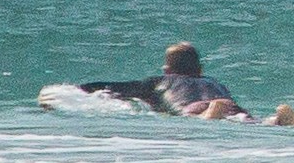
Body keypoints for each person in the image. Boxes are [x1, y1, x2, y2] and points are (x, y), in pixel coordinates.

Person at [81, 41, 245, 118]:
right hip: (228, 105)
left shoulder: (161, 82)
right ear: (200, 69)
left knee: (198, 118)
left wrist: (69, 92)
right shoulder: (215, 83)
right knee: (244, 120)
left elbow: (107, 88)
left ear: (167, 71)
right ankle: (271, 120)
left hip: (192, 108)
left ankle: (211, 114)